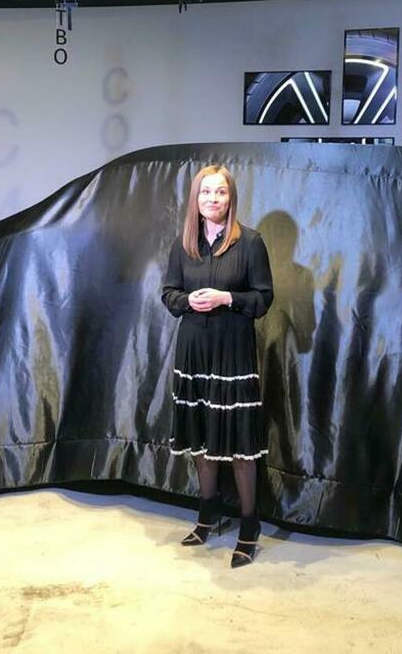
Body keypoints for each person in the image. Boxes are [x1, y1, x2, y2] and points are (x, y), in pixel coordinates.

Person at [161, 164, 274, 568]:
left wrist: (228, 298)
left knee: (241, 445)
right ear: (196, 198)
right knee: (201, 439)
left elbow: (263, 299)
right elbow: (168, 293)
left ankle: (249, 525)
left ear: (231, 198)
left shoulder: (251, 243)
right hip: (194, 352)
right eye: (206, 192)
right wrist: (186, 301)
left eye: (221, 192)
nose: (213, 199)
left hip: (233, 352)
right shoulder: (184, 245)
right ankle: (207, 514)